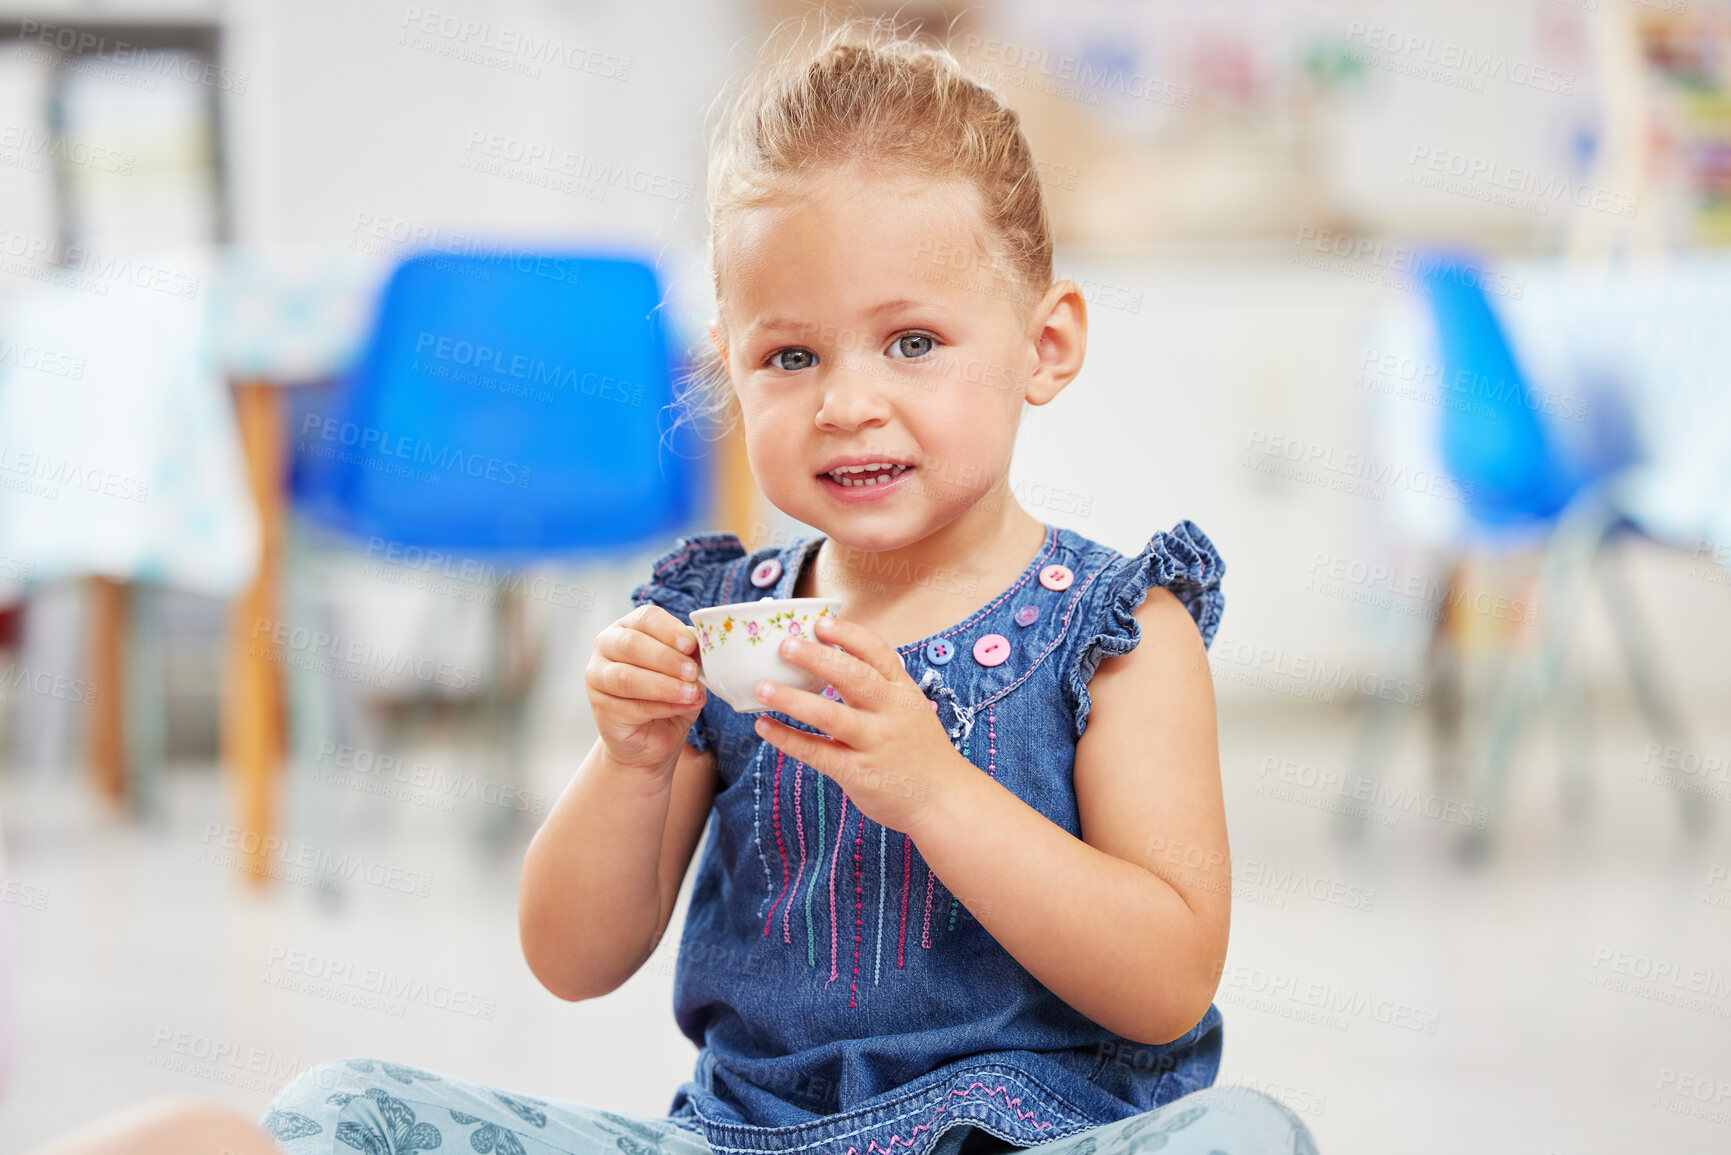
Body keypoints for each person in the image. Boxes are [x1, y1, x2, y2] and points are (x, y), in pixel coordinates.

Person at [261, 16, 1318, 1155]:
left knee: (1245, 1135)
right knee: (338, 1107)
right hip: (744, 1141)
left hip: (1026, 1140)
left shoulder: (1117, 631)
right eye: (791, 357)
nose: (847, 401)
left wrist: (933, 790)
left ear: (1046, 344)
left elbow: (1164, 983)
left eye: (912, 342)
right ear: (731, 365)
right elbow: (570, 960)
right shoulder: (720, 625)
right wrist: (631, 761)